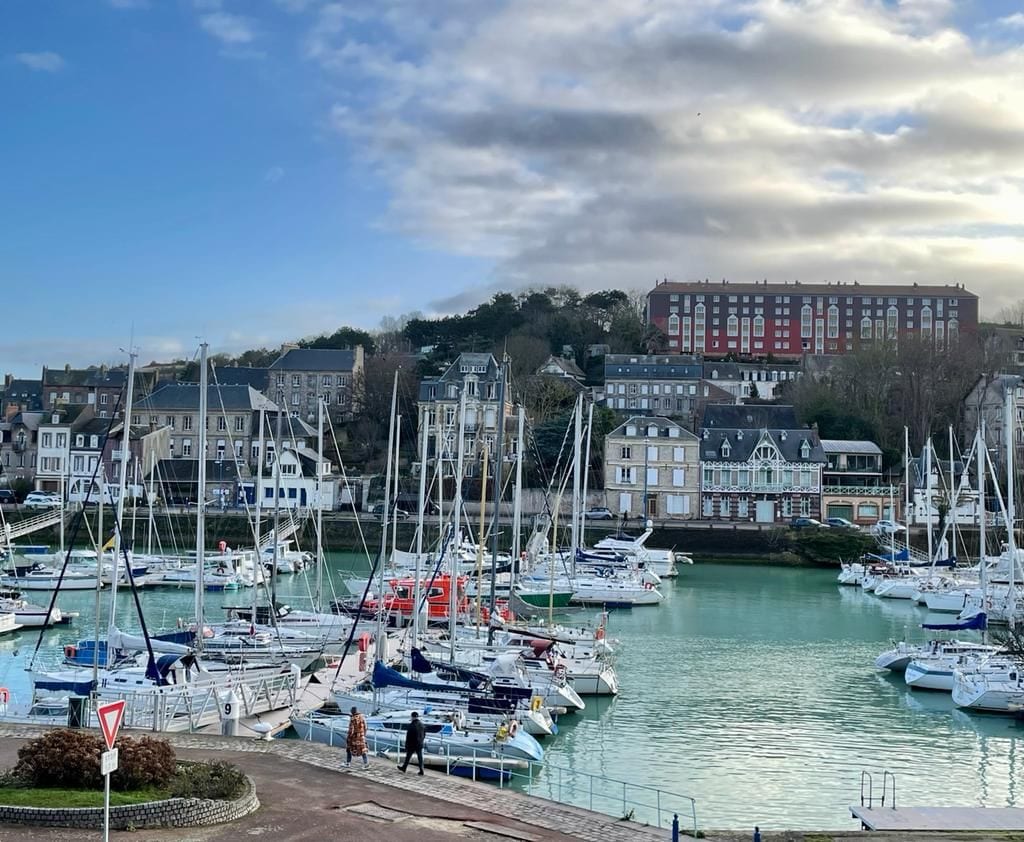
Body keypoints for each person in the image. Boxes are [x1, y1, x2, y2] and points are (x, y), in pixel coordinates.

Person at [398, 711, 425, 775]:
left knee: (408, 756)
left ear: (412, 717)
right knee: (420, 757)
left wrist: (406, 744)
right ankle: (421, 769)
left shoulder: (411, 725)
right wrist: (421, 740)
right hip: (419, 743)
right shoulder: (422, 725)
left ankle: (404, 767)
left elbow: (409, 736)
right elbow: (424, 734)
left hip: (412, 744)